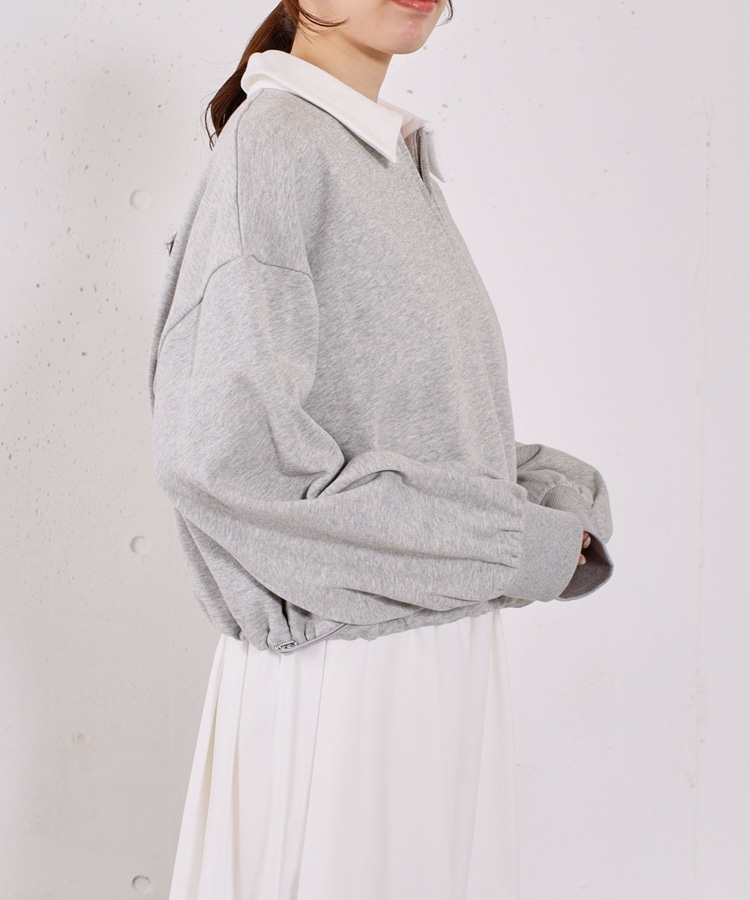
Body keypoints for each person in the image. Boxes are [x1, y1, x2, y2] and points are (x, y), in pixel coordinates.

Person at [148, 1, 614, 898]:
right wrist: (508, 546)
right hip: (347, 680)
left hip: (425, 656)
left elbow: (418, 430)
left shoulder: (382, 155)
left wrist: (556, 497)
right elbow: (223, 459)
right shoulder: (277, 143)